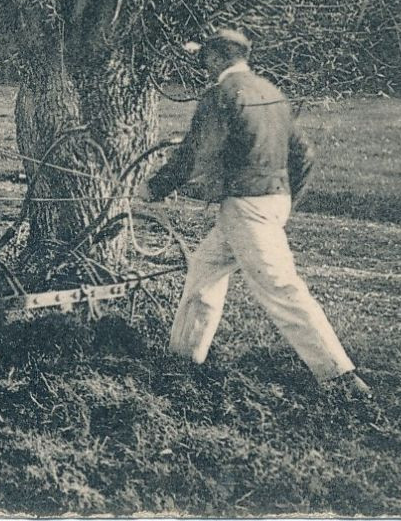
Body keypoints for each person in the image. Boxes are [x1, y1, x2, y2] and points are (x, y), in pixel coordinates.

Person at [141, 28, 370, 396]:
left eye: (205, 58)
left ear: (217, 58)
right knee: (204, 271)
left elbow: (193, 153)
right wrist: (284, 199)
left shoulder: (221, 96)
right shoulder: (273, 93)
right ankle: (182, 362)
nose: (203, 66)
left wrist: (156, 187)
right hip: (270, 202)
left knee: (280, 287)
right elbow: (304, 155)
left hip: (246, 208)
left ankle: (341, 377)